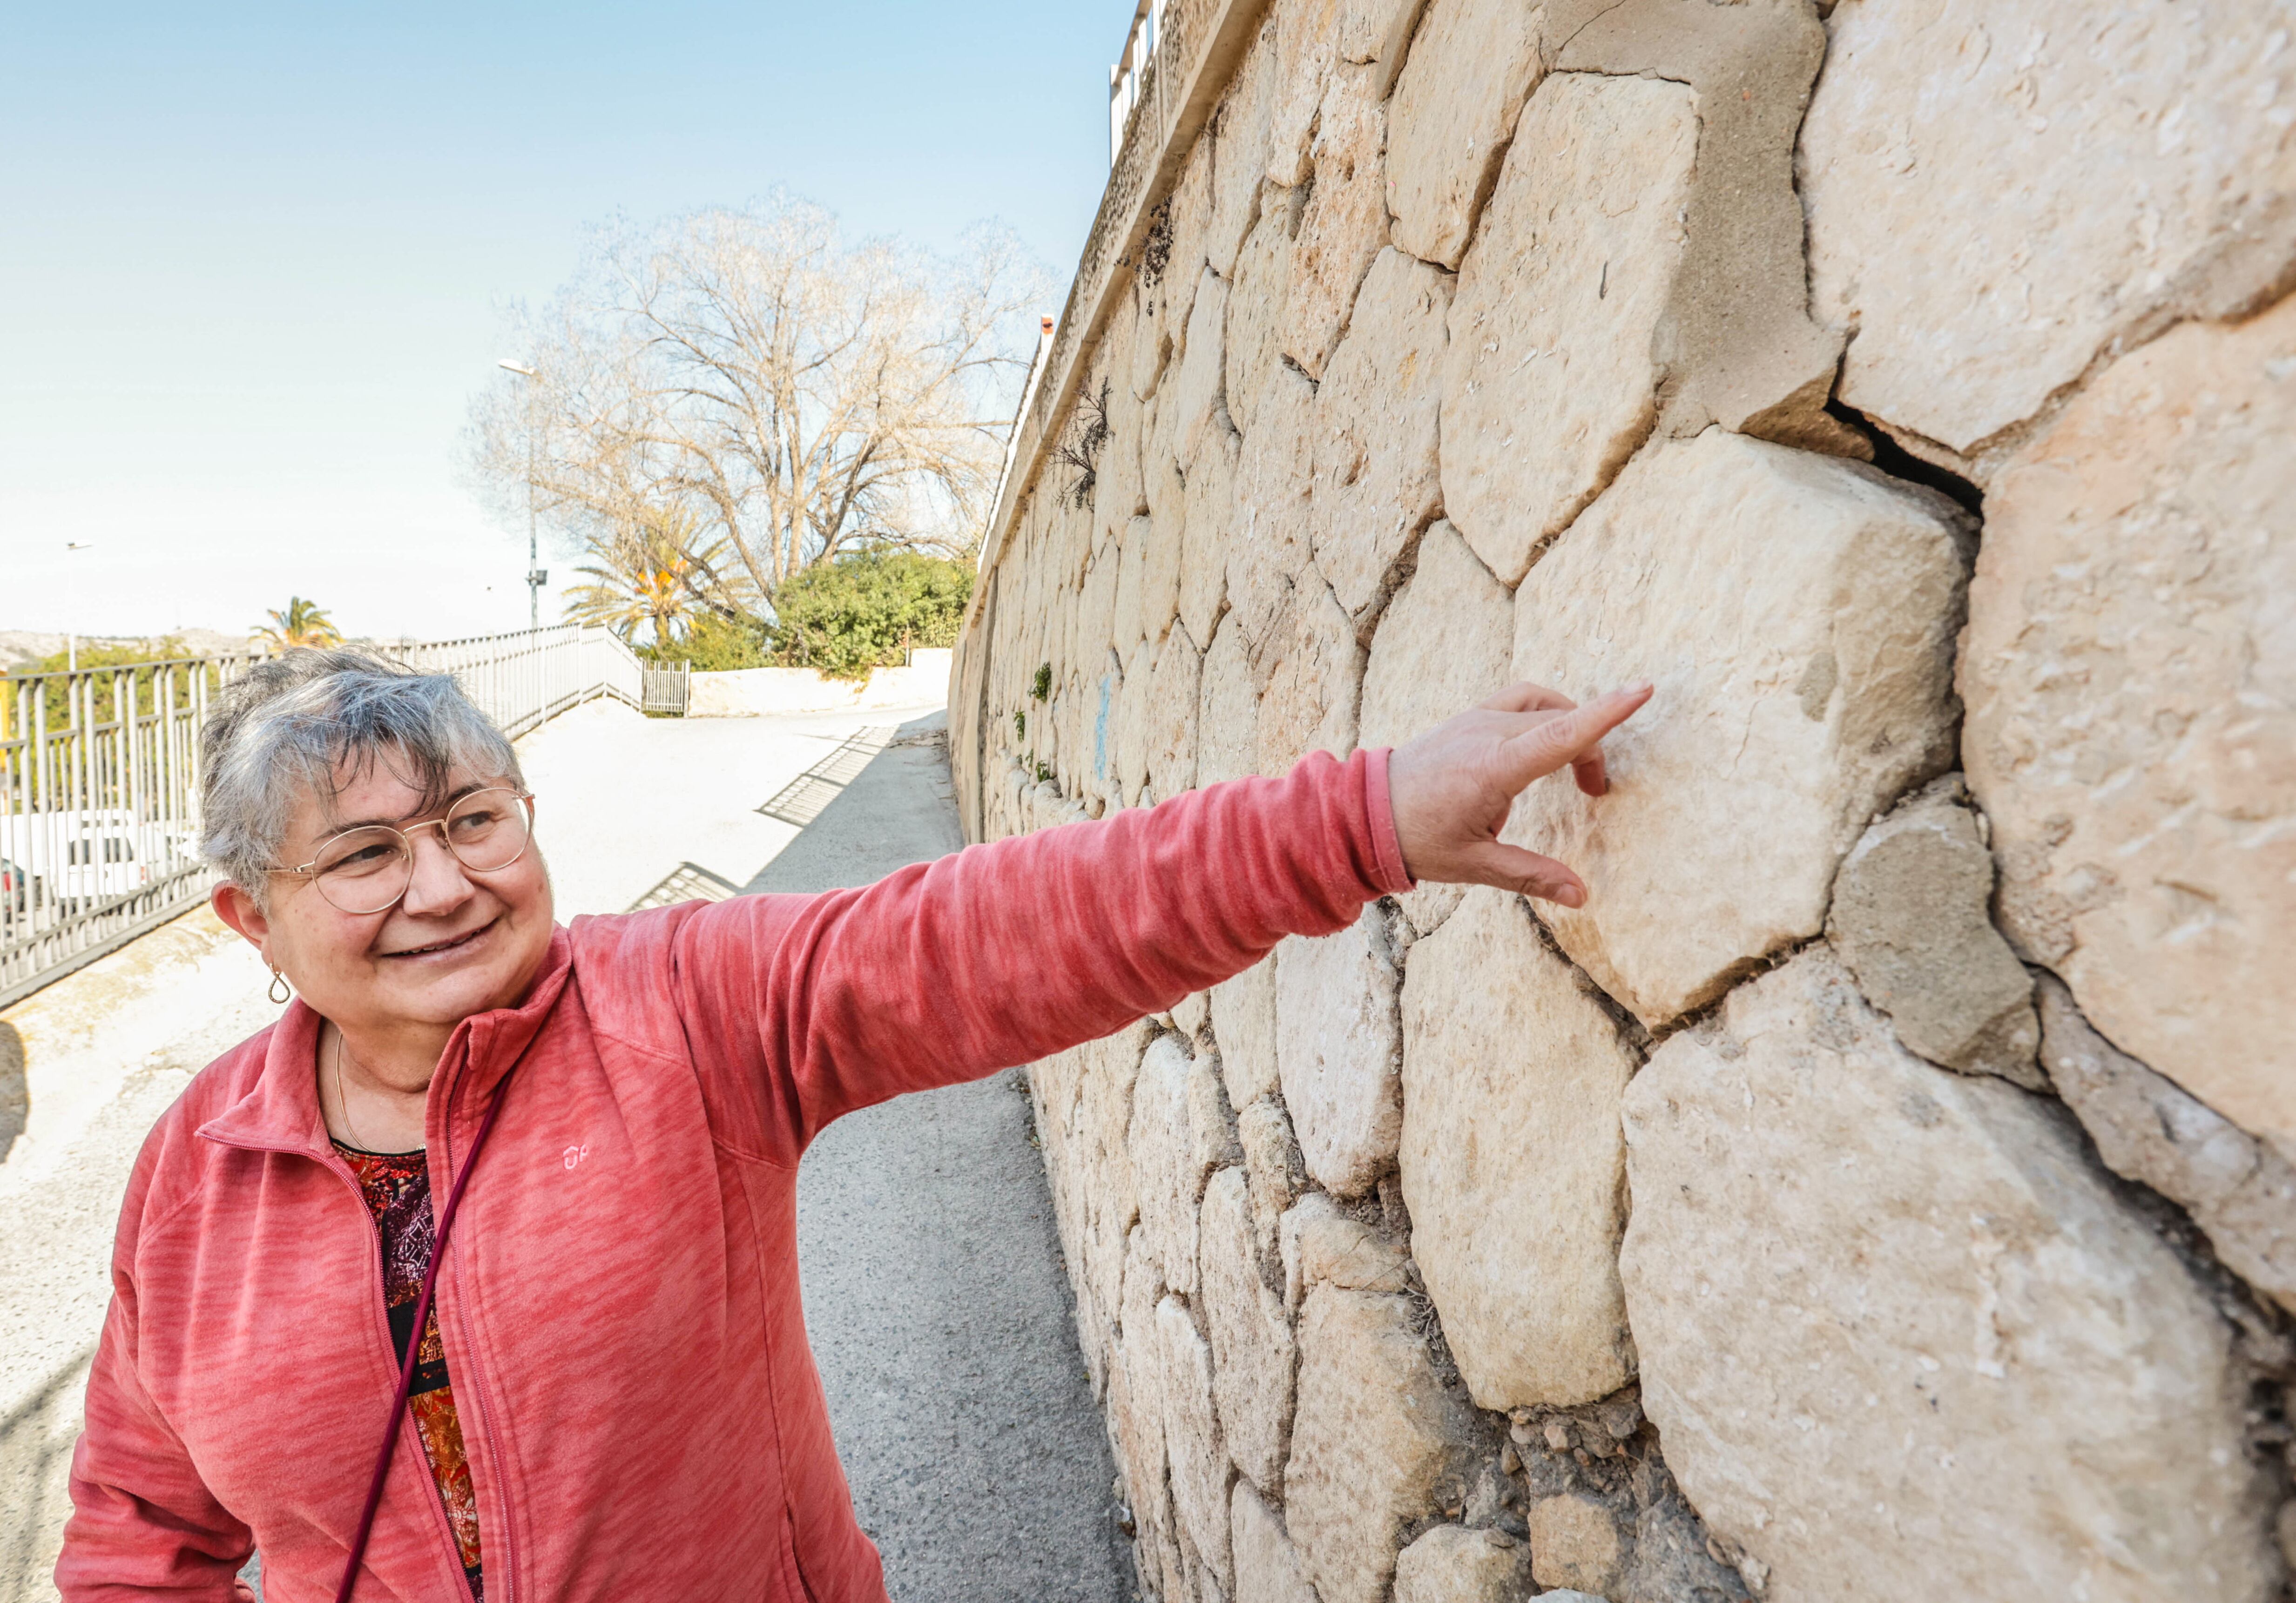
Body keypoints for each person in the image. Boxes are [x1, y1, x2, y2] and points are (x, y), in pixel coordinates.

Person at [57, 647, 1650, 1603]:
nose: (443, 881)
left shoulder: (683, 1006)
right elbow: (139, 1527)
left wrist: (1360, 818)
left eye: (474, 819)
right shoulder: (192, 1175)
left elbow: (999, 927)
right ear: (248, 919)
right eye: (366, 852)